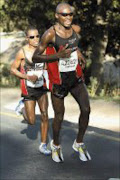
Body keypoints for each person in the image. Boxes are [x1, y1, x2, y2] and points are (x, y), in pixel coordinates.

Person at [32, 2, 91, 163]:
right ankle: (56, 145)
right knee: (59, 116)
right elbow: (35, 57)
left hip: (75, 78)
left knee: (86, 109)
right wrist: (58, 56)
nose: (68, 17)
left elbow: (73, 45)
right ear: (57, 15)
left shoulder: (76, 30)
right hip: (59, 81)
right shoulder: (49, 35)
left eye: (70, 14)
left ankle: (79, 143)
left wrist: (78, 52)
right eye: (64, 14)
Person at [11, 26, 51, 155]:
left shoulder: (43, 51)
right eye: (32, 37)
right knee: (32, 121)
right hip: (28, 89)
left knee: (45, 115)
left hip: (41, 88)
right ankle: (22, 107)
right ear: (27, 38)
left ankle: (44, 145)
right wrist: (27, 76)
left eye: (37, 36)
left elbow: (47, 65)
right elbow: (13, 69)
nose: (35, 39)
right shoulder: (22, 52)